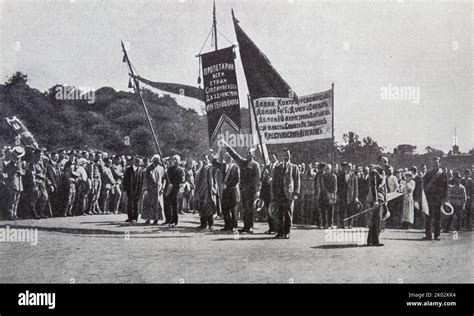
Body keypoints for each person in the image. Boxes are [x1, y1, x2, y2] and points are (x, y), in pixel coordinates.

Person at [221, 141, 261, 234]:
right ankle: (245, 227)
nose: (248, 155)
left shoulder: (255, 165)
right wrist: (227, 146)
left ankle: (250, 227)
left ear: (253, 155)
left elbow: (257, 179)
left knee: (250, 209)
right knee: (244, 209)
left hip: (251, 191)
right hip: (243, 190)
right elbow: (235, 155)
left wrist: (257, 190)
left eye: (250, 153)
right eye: (247, 153)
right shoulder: (243, 163)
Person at [272, 148, 300, 239]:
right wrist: (273, 193)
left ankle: (287, 232)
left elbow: (297, 181)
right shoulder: (278, 167)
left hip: (289, 194)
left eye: (287, 155)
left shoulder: (294, 167)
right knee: (279, 214)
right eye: (284, 155)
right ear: (281, 156)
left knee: (288, 214)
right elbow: (274, 182)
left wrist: (296, 193)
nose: (285, 157)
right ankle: (280, 232)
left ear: (290, 156)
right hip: (279, 194)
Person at [212, 150, 240, 231]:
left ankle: (234, 226)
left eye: (230, 157)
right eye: (227, 157)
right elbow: (214, 162)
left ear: (232, 159)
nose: (228, 159)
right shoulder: (223, 166)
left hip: (232, 190)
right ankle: (227, 226)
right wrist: (218, 151)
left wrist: (227, 185)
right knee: (225, 208)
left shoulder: (235, 167)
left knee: (233, 209)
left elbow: (236, 179)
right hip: (225, 190)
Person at [423, 157, 448, 240]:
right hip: (429, 198)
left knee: (438, 217)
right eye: (434, 164)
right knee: (428, 217)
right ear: (432, 164)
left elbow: (446, 188)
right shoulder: (428, 174)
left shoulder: (443, 174)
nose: (435, 165)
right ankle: (428, 235)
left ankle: (437, 235)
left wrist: (444, 198)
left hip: (438, 198)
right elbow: (424, 186)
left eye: (436, 163)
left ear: (439, 164)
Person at [141, 154, 166, 225]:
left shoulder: (161, 168)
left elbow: (164, 179)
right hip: (150, 189)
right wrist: (145, 188)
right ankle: (148, 219)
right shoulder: (149, 168)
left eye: (158, 161)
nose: (156, 162)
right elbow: (145, 179)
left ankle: (156, 219)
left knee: (158, 205)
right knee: (149, 204)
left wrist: (163, 187)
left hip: (159, 189)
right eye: (155, 161)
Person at [194, 154, 217, 230]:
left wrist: (213, 189)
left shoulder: (210, 168)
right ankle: (203, 224)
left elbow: (213, 179)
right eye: (203, 159)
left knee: (209, 208)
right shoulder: (200, 169)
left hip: (208, 190)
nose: (204, 161)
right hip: (201, 191)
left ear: (208, 160)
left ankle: (211, 224)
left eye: (205, 159)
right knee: (201, 208)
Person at [366, 163, 387, 246]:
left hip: (381, 199)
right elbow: (373, 187)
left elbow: (384, 187)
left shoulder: (382, 172)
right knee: (376, 220)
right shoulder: (374, 172)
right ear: (379, 162)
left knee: (377, 220)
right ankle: (374, 241)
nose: (386, 164)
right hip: (376, 199)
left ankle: (371, 240)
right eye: (384, 162)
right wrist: (375, 200)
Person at [4, 146, 26, 220]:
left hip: (19, 183)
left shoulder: (21, 164)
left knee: (17, 200)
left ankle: (15, 214)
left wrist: (19, 170)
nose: (18, 158)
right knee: (12, 200)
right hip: (12, 184)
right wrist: (14, 169)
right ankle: (10, 214)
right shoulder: (9, 164)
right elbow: (8, 174)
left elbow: (24, 172)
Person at [164, 154, 185, 226]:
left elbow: (182, 180)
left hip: (176, 189)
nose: (175, 161)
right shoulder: (170, 169)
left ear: (179, 161)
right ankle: (168, 219)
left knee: (174, 205)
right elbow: (166, 177)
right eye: (174, 159)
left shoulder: (181, 170)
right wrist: (165, 172)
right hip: (169, 189)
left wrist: (174, 184)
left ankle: (174, 220)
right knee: (167, 204)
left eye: (176, 159)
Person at [261, 152, 279, 234]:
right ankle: (271, 228)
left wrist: (273, 180)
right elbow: (262, 178)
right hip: (268, 192)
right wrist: (265, 177)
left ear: (276, 157)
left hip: (276, 192)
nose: (271, 158)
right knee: (269, 211)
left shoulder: (279, 166)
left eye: (273, 157)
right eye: (270, 157)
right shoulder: (267, 167)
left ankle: (277, 228)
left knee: (276, 210)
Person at [337, 162, 359, 229]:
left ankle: (350, 224)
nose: (348, 168)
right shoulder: (340, 176)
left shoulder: (354, 177)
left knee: (350, 211)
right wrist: (338, 195)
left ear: (352, 168)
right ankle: (341, 224)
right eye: (347, 167)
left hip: (351, 196)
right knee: (342, 211)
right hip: (342, 196)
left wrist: (356, 197)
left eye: (350, 167)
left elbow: (356, 188)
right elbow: (338, 187)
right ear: (345, 168)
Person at [123, 156, 144, 223]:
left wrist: (142, 189)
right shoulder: (128, 169)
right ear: (134, 162)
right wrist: (124, 189)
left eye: (140, 162)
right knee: (129, 203)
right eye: (137, 161)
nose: (139, 163)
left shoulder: (142, 170)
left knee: (136, 204)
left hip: (138, 189)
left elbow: (142, 181)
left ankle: (135, 217)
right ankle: (130, 217)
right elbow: (125, 180)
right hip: (130, 189)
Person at [319, 163, 337, 229]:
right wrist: (325, 193)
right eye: (326, 169)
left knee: (331, 211)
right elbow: (322, 185)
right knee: (323, 210)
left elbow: (335, 187)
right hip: (323, 195)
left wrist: (331, 194)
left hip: (331, 195)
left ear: (331, 169)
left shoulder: (334, 176)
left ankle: (330, 224)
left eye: (329, 169)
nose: (327, 170)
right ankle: (324, 224)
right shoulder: (322, 176)